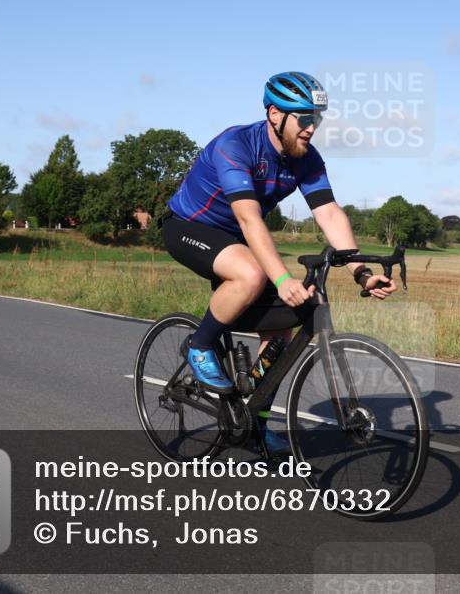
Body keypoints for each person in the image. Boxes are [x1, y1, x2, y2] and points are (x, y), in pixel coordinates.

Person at [161, 71, 397, 456]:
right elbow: (249, 219)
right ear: (275, 114)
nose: (311, 128)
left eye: (316, 119)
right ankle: (199, 345)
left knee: (283, 328)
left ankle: (256, 421)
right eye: (304, 118)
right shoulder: (235, 146)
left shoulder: (306, 158)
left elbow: (330, 214)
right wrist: (282, 276)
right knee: (252, 273)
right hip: (190, 227)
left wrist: (361, 272)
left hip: (237, 238)